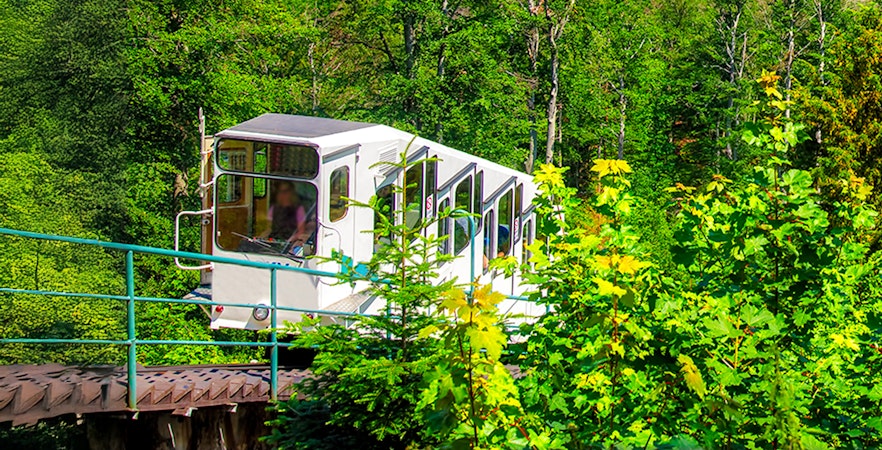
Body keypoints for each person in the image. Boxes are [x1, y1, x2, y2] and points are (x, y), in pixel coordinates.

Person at [260, 181, 308, 246]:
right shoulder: (273, 208)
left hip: (292, 244)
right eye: (281, 191)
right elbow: (269, 229)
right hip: (275, 242)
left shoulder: (299, 209)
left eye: (286, 191)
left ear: (291, 192)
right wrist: (260, 238)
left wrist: (291, 240)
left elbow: (301, 232)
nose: (283, 194)